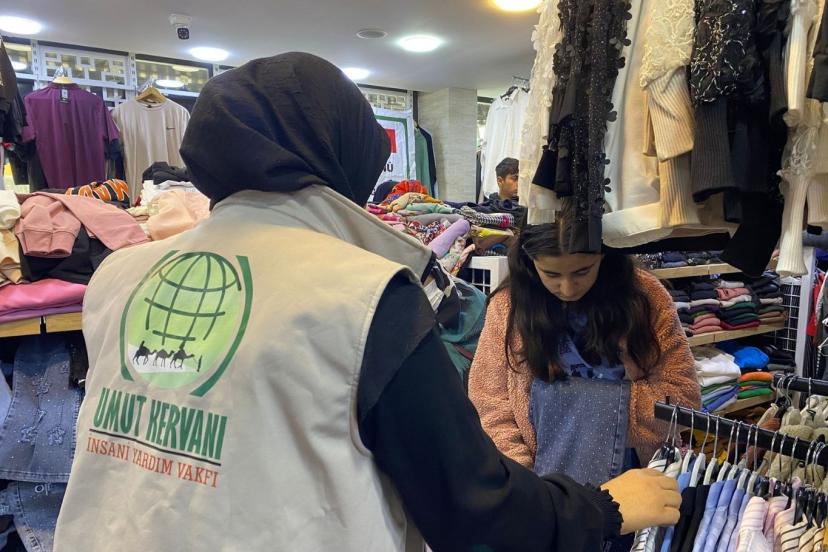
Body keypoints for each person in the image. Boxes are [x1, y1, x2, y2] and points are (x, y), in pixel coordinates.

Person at [54, 53, 681, 551]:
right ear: (346, 150)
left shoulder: (118, 275)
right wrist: (605, 507)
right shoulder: (363, 294)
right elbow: (469, 504)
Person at [469, 214, 701, 485]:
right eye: (551, 274)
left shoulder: (645, 296)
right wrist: (527, 485)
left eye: (582, 271)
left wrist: (581, 411)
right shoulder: (509, 308)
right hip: (542, 483)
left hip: (636, 477)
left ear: (604, 254)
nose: (567, 289)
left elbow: (684, 398)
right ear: (530, 261)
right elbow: (490, 406)